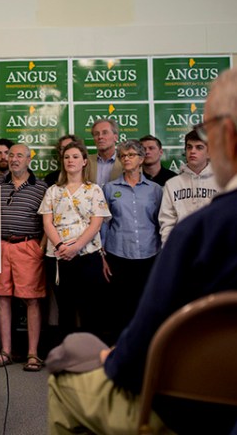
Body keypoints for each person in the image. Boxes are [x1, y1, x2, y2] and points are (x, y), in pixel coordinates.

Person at [46, 63, 237, 435]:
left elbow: (138, 354)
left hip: (196, 412)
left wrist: (111, 356)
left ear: (230, 137)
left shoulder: (201, 232)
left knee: (65, 373)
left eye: (209, 134)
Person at [39, 141, 111, 342]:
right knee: (66, 310)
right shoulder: (53, 191)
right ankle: (68, 358)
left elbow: (96, 223)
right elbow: (47, 222)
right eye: (67, 157)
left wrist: (77, 247)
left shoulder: (94, 190)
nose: (71, 160)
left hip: (88, 255)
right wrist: (62, 247)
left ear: (85, 162)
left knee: (91, 310)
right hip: (59, 257)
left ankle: (92, 359)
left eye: (75, 157)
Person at [101, 140, 162, 340]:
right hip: (118, 254)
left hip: (149, 254)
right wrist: (102, 256)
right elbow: (104, 224)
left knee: (146, 305)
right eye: (123, 156)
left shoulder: (155, 190)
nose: (126, 159)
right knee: (120, 307)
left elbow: (161, 222)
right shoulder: (109, 189)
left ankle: (145, 349)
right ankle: (119, 351)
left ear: (142, 159)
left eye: (131, 155)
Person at [0, 144, 48, 372]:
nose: (14, 159)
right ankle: (6, 351)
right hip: (0, 246)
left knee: (32, 300)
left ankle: (33, 354)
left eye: (19, 156)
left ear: (29, 160)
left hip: (28, 246)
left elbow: (50, 220)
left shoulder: (42, 187)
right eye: (11, 156)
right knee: (2, 298)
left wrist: (41, 247)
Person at [158, 130, 219, 244]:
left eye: (199, 147)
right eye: (189, 147)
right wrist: (170, 249)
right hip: (182, 248)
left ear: (209, 152)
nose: (192, 151)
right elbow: (167, 222)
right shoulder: (172, 184)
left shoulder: (220, 182)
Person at [88, 119, 123, 186]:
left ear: (115, 137)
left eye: (105, 133)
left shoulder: (125, 161)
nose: (100, 137)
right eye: (96, 134)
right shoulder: (86, 162)